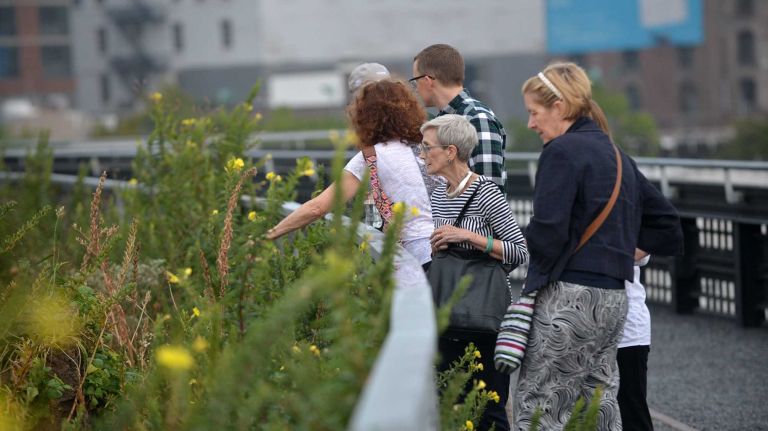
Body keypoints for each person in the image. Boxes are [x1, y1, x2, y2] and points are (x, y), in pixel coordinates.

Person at [513, 62, 683, 430]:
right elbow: (668, 225)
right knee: (600, 406)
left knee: (540, 407)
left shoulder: (561, 152)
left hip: (567, 301)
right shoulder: (619, 156)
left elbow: (548, 232)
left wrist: (516, 249)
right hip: (613, 301)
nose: (531, 123)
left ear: (559, 107)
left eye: (533, 112)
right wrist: (623, 250)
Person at [420, 114, 528, 431]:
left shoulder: (487, 193)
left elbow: (520, 251)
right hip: (447, 315)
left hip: (483, 321)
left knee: (489, 410)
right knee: (450, 406)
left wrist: (467, 237)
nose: (422, 155)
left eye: (427, 148)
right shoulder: (438, 194)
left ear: (450, 151)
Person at [267, 79, 434, 268]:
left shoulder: (372, 156)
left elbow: (317, 208)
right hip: (455, 249)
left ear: (365, 118)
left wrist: (270, 235)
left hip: (419, 255)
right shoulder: (430, 147)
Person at [412, 44, 508, 194]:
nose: (415, 88)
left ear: (427, 80)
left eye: (415, 81)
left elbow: (489, 194)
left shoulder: (476, 118)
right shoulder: (443, 120)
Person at [618, 249, 654, 431]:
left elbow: (642, 250)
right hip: (576, 323)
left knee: (631, 410)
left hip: (628, 329)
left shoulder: (631, 219)